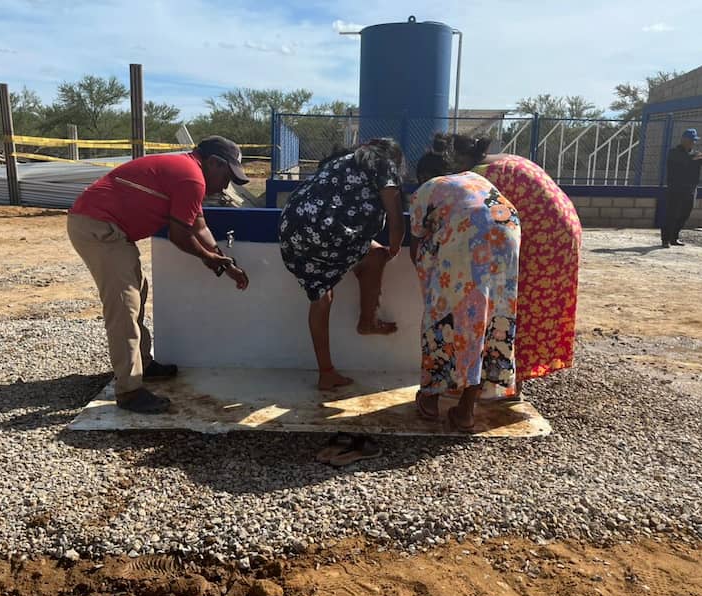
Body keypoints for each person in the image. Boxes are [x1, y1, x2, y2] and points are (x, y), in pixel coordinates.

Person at [68, 136, 250, 413]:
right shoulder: (191, 178)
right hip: (99, 227)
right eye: (227, 176)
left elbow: (199, 227)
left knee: (137, 292)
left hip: (106, 227)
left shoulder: (188, 173)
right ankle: (129, 391)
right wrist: (210, 259)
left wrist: (224, 262)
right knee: (124, 306)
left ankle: (143, 363)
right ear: (214, 163)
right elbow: (179, 235)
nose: (226, 186)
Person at [446, 133, 581, 386]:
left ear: (459, 159)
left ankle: (508, 383)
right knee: (532, 305)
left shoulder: (481, 176)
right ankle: (510, 379)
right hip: (562, 233)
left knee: (517, 304)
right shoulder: (507, 160)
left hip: (542, 239)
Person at [409, 140, 520, 431]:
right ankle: (466, 410)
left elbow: (417, 240)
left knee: (441, 318)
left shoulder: (428, 188)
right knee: (491, 318)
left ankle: (430, 398)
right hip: (507, 230)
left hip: (471, 234)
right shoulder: (474, 179)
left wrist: (433, 292)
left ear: (423, 176)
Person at [278, 139, 406, 390]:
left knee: (321, 295)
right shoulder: (384, 164)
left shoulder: (341, 162)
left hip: (292, 229)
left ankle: (326, 372)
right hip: (330, 233)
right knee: (376, 256)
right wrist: (394, 248)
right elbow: (396, 218)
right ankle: (368, 321)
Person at [663, 128, 702, 247]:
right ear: (683, 140)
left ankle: (674, 238)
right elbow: (685, 159)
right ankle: (666, 239)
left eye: (694, 140)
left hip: (690, 190)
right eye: (691, 140)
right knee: (672, 214)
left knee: (685, 214)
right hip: (675, 188)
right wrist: (700, 156)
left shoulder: (696, 153)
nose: (693, 143)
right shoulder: (674, 152)